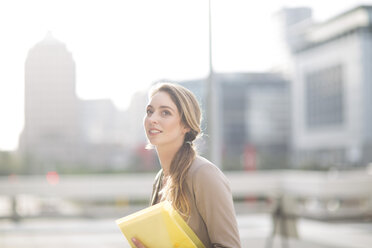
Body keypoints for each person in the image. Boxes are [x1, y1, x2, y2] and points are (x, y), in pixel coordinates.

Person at [131, 82, 241, 248]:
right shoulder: (160, 179)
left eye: (165, 112)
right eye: (149, 111)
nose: (152, 119)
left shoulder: (204, 174)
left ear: (186, 125)